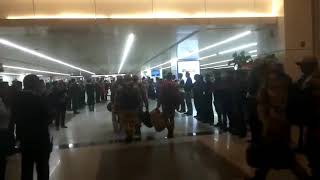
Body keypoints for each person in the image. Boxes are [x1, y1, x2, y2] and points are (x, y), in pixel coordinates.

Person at [12, 74, 52, 180]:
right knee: (42, 169)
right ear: (34, 85)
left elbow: (14, 118)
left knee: (26, 169)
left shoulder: (16, 100)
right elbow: (49, 116)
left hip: (25, 140)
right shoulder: (39, 99)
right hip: (40, 140)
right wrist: (44, 96)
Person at [295, 56, 320, 179]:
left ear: (312, 66)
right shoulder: (306, 79)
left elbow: (311, 103)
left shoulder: (315, 81)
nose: (301, 68)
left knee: (314, 152)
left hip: (315, 124)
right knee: (311, 150)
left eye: (303, 65)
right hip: (310, 122)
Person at [114, 75, 141, 141]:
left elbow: (116, 99)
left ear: (124, 79)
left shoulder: (119, 88)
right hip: (133, 108)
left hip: (123, 109)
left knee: (124, 122)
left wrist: (116, 107)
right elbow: (139, 99)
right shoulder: (136, 88)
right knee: (132, 122)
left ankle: (128, 134)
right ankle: (131, 133)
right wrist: (140, 106)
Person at [157, 73, 180, 138]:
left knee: (166, 118)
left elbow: (160, 95)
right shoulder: (175, 84)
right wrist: (178, 104)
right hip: (173, 103)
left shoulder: (163, 85)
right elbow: (178, 95)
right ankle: (171, 131)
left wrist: (158, 104)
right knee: (172, 118)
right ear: (171, 77)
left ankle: (169, 130)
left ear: (166, 77)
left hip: (165, 103)